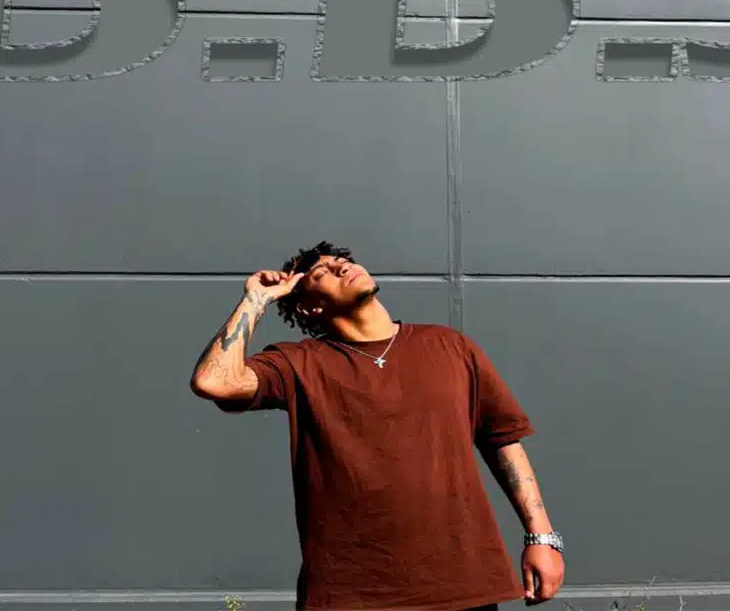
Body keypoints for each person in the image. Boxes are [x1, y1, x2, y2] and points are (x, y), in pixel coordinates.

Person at [190, 240, 565, 611]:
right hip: (353, 594)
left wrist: (542, 537)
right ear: (310, 306)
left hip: (463, 584)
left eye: (342, 260)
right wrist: (256, 299)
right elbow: (214, 381)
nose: (340, 266)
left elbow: (502, 440)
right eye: (322, 272)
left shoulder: (449, 345)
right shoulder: (298, 363)